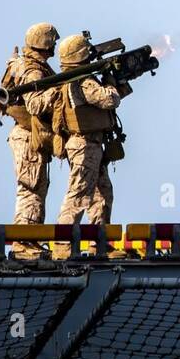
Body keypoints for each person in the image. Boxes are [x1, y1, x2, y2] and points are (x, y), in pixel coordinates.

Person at [51, 33, 128, 252]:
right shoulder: (82, 80)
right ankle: (62, 245)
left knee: (102, 193)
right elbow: (109, 99)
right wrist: (113, 83)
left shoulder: (75, 78)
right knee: (78, 194)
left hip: (91, 144)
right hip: (84, 145)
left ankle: (100, 243)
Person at [0, 23, 59, 258]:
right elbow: (35, 104)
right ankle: (23, 243)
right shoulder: (33, 71)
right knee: (31, 188)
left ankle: (30, 240)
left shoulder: (27, 64)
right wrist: (59, 92)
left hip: (28, 136)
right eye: (51, 42)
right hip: (27, 137)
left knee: (36, 187)